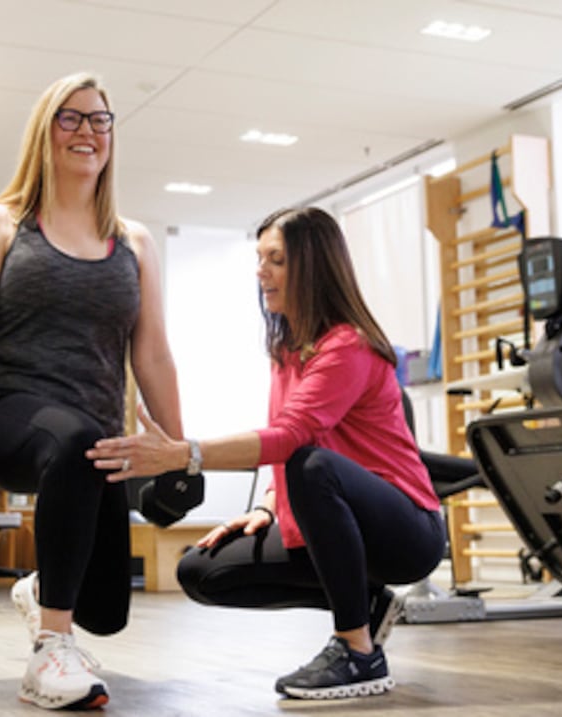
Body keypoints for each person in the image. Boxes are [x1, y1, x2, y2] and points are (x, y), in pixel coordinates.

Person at [87, 206, 445, 700]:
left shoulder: (348, 346)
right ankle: (366, 605)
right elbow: (287, 438)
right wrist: (265, 507)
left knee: (310, 464)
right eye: (259, 259)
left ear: (313, 265)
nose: (261, 272)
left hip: (407, 533)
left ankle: (358, 652)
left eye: (274, 259)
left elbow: (291, 439)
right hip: (340, 522)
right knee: (201, 571)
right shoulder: (287, 352)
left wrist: (180, 454)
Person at [0, 72, 184, 710]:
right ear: (44, 132)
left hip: (94, 433)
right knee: (72, 441)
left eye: (100, 120)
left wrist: (178, 452)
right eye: (69, 118)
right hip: (11, 413)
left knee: (107, 610)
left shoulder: (134, 242)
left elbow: (152, 352)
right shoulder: (4, 224)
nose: (86, 132)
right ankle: (50, 649)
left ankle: (46, 594)